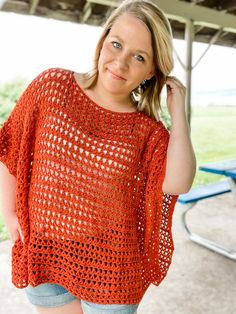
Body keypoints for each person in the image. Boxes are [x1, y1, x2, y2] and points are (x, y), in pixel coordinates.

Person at [0, 0, 196, 313]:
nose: (120, 63)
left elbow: (178, 183)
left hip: (111, 268)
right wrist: (9, 215)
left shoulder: (147, 131)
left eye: (139, 56)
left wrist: (179, 114)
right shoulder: (52, 88)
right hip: (47, 253)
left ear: (151, 71)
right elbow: (10, 148)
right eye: (116, 44)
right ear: (103, 40)